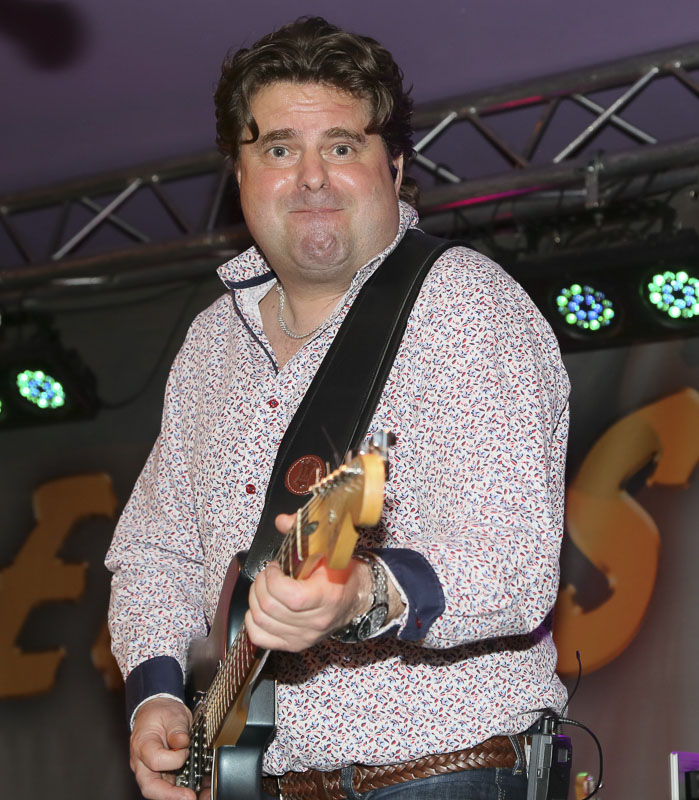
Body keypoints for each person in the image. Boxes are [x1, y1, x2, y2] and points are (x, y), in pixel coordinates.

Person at [106, 16, 570, 800]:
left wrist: (362, 593)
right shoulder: (212, 344)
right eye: (278, 149)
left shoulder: (462, 304)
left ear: (395, 167)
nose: (312, 177)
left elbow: (511, 561)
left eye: (343, 147)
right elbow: (155, 551)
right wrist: (156, 695)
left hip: (441, 772)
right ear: (239, 173)